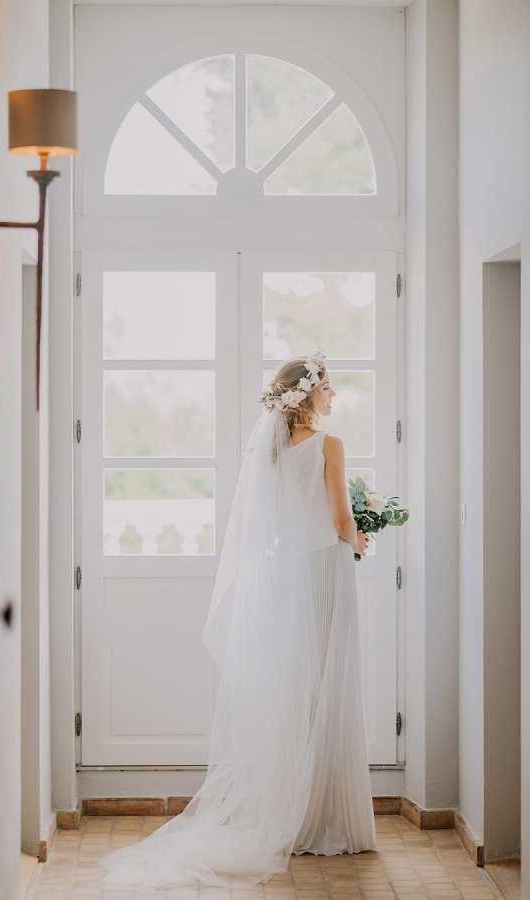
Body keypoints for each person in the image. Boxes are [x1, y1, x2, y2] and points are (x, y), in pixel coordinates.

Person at [102, 350, 377, 890]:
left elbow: (271, 526)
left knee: (292, 691)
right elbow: (341, 519)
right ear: (308, 393)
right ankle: (324, 818)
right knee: (327, 686)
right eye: (329, 388)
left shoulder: (270, 453)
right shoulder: (330, 445)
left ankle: (287, 813)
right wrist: (360, 539)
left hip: (287, 580)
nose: (334, 396)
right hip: (324, 574)